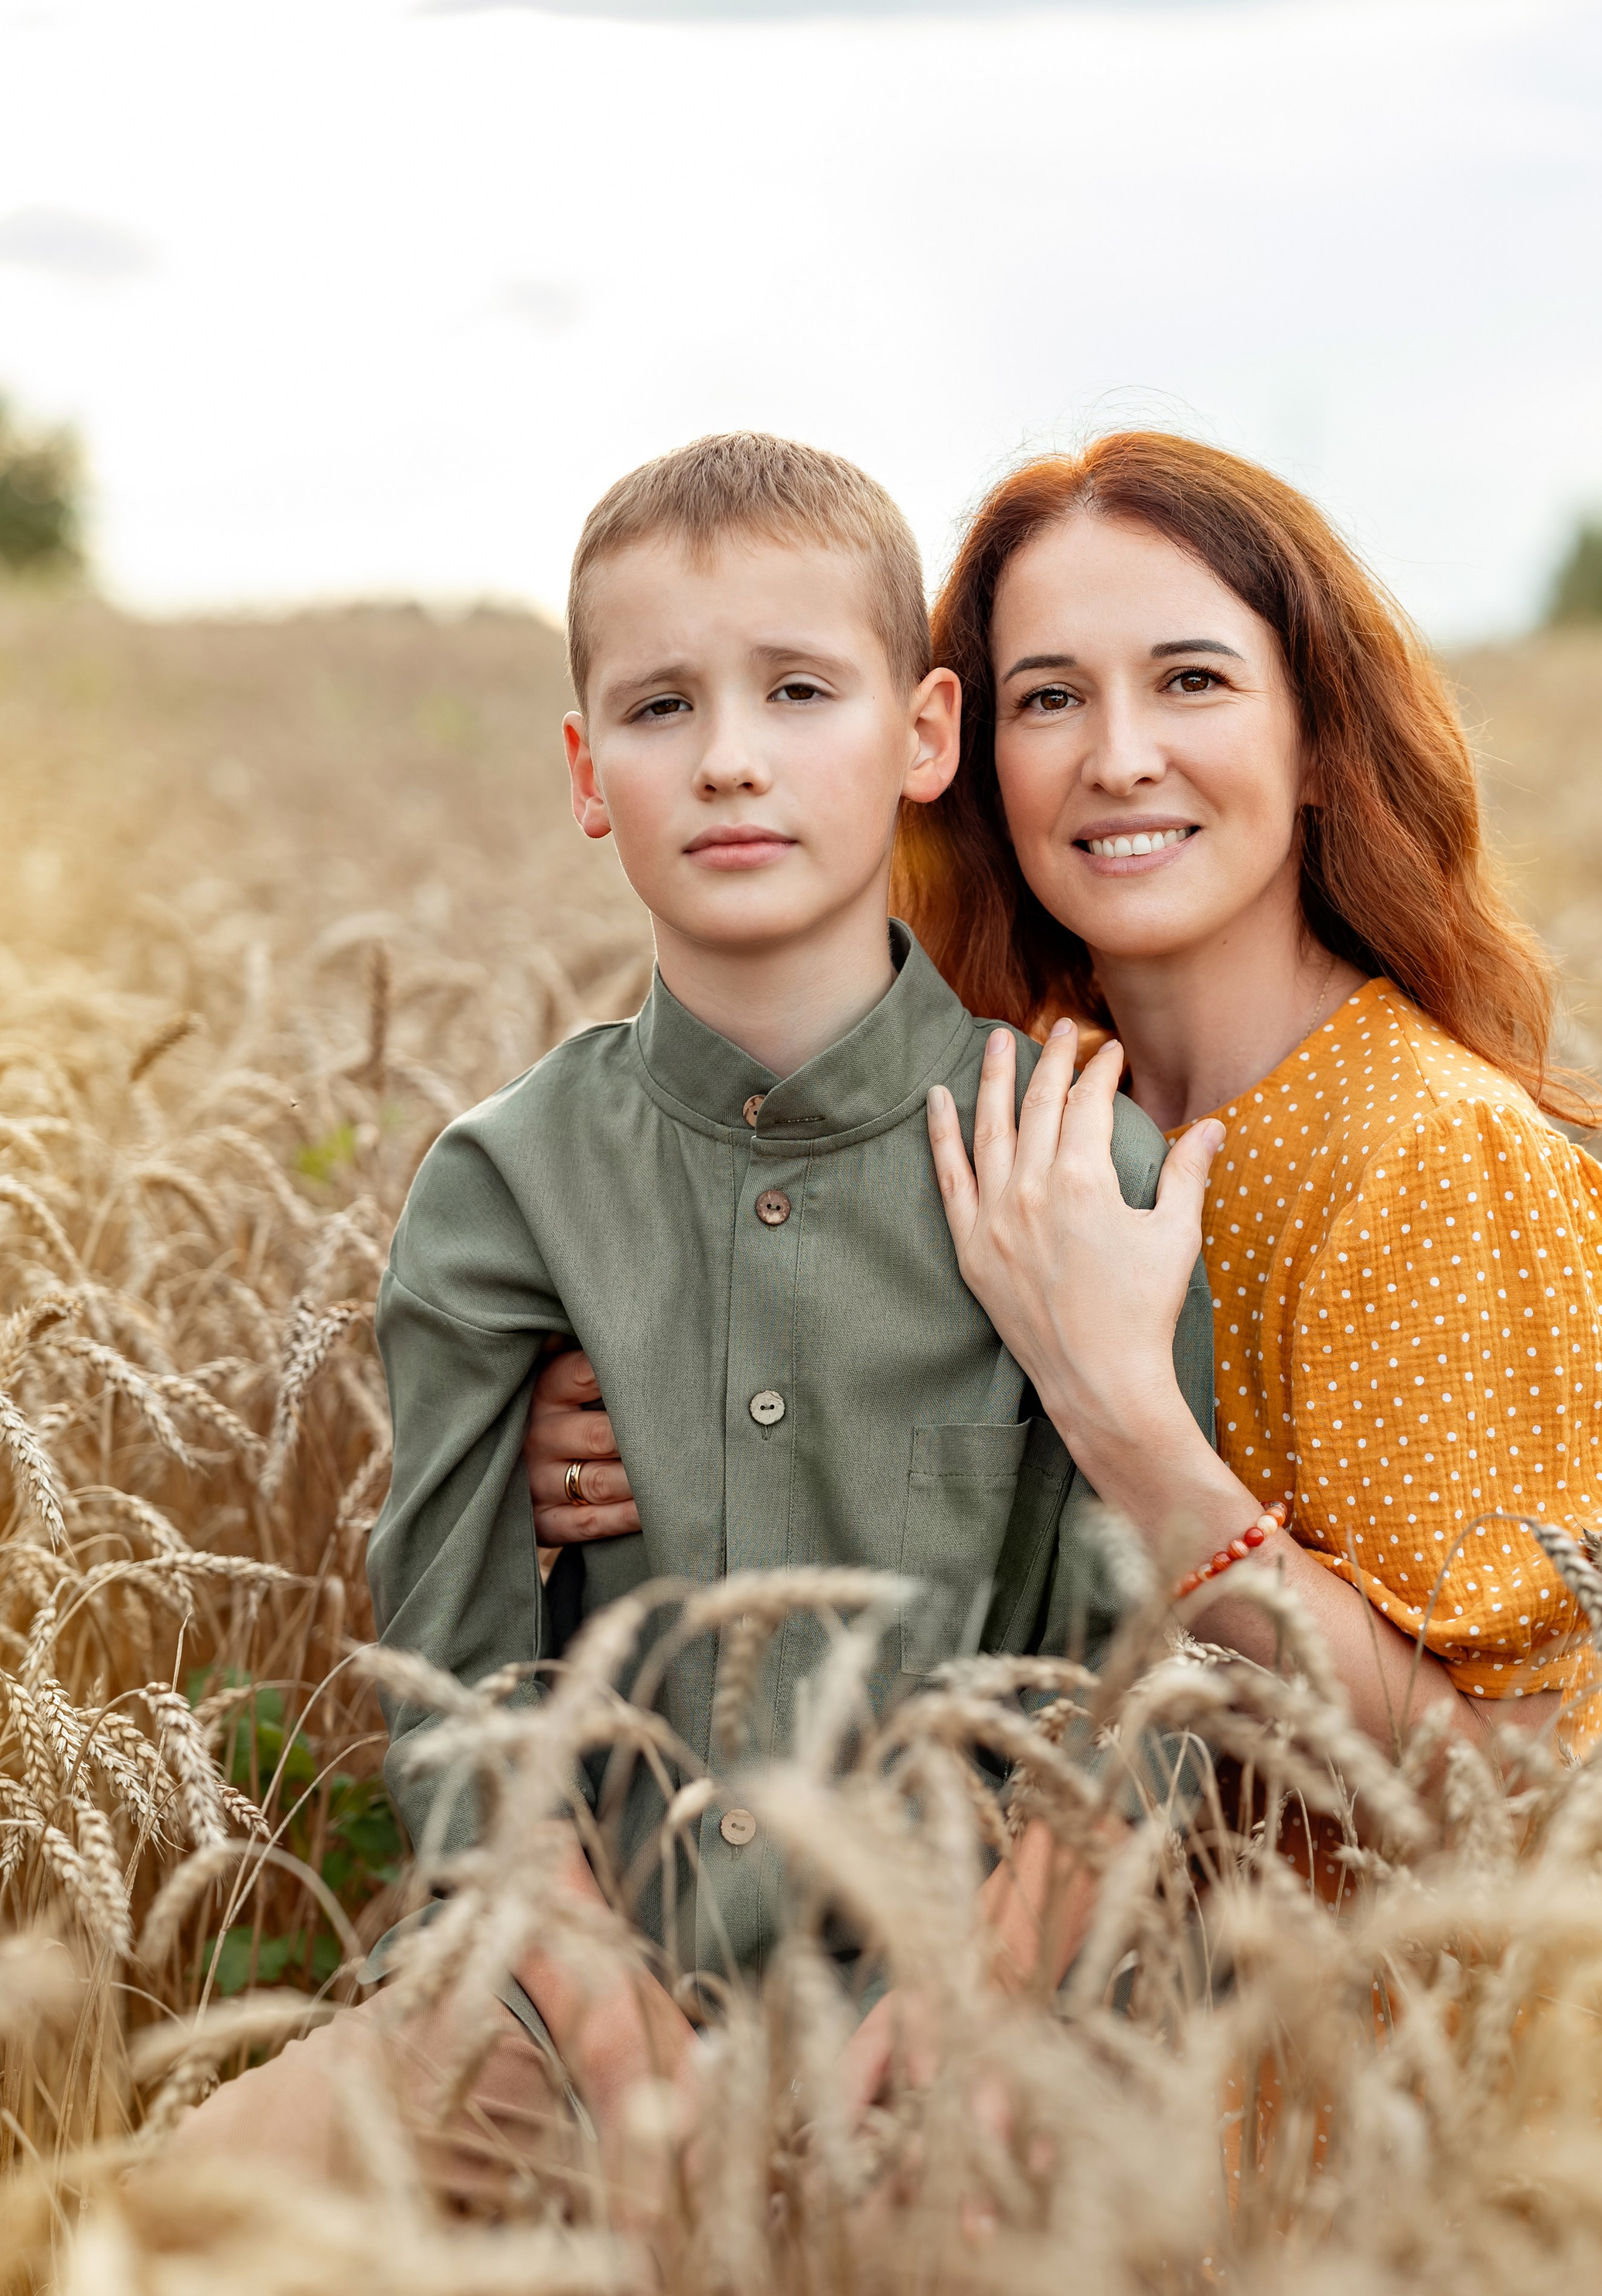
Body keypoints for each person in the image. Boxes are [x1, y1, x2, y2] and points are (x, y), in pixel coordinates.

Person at [170, 432, 1215, 2193]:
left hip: (968, 2026)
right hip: (563, 2010)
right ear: (590, 771)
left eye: (798, 691)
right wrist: (608, 2032)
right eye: (662, 708)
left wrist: (966, 1999)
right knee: (174, 2239)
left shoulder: (1068, 1161)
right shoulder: (505, 1189)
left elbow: (1139, 1680)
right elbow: (457, 1687)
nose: (729, 756)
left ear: (923, 736)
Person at [530, 432, 1602, 1779]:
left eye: (1192, 680)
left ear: (1319, 742)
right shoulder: (1013, 1107)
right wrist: (608, 1429)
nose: (1120, 758)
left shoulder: (1430, 1156)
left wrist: (1129, 1429)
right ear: (966, 752)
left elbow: (1520, 1776)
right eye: (1050, 698)